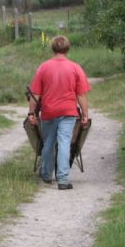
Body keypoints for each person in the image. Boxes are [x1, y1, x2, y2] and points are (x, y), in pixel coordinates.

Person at [28, 35, 90, 190]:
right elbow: (80, 95)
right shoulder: (75, 68)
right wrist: (85, 114)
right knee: (64, 143)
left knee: (48, 142)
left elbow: (35, 94)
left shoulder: (43, 67)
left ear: (53, 48)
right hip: (68, 112)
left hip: (49, 111)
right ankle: (63, 179)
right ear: (67, 48)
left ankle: (47, 175)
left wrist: (31, 113)